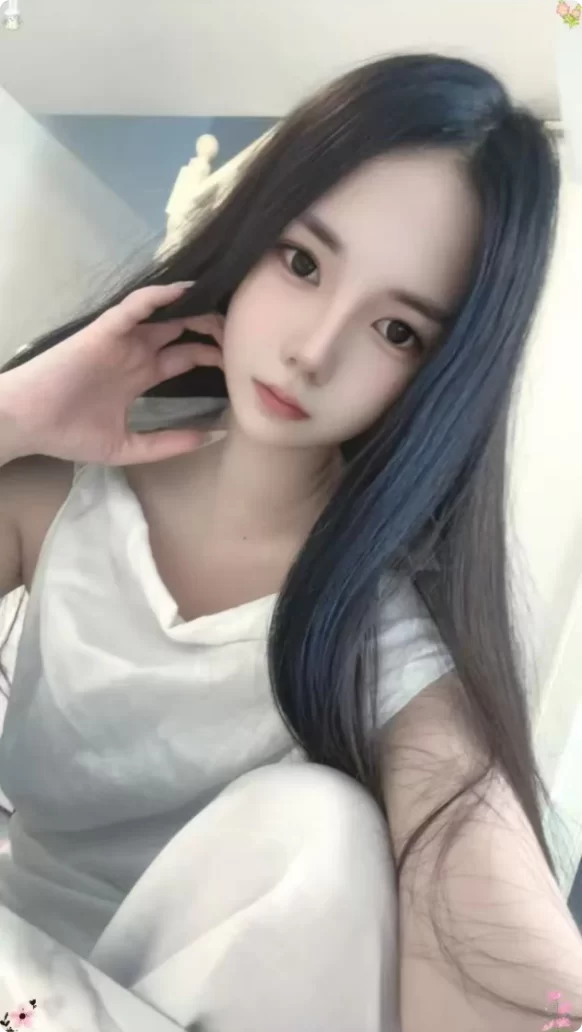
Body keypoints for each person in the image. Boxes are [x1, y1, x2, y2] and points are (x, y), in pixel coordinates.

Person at [0, 52, 581, 1032]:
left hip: (201, 1000)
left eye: (397, 331)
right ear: (254, 233)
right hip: (22, 961)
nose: (314, 350)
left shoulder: (380, 630)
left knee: (322, 827)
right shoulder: (62, 490)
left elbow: (481, 886)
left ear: (441, 378)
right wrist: (12, 414)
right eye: (304, 263)